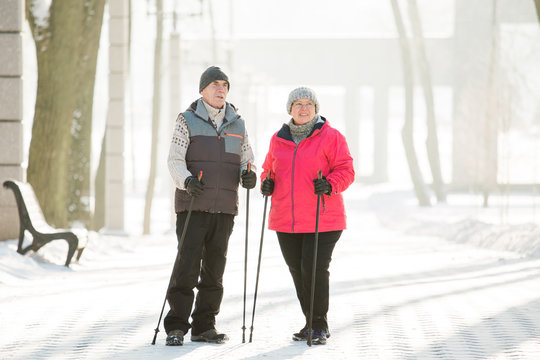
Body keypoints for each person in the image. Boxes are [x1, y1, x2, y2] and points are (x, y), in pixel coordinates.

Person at [164, 66, 257, 346]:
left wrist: (249, 175)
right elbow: (175, 160)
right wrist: (187, 181)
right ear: (202, 90)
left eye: (224, 85)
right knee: (187, 267)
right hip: (193, 205)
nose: (221, 89)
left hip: (225, 207)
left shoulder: (237, 124)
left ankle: (205, 325)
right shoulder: (187, 120)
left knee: (215, 270)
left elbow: (246, 159)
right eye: (215, 84)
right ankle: (177, 326)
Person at [259, 87, 354, 345]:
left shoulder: (331, 137)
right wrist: (266, 182)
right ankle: (310, 322)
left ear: (316, 109)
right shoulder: (278, 139)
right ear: (290, 109)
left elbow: (346, 169)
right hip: (286, 220)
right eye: (298, 103)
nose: (303, 108)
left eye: (309, 104)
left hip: (322, 218)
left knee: (313, 270)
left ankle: (319, 325)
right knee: (298, 271)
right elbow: (269, 170)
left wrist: (331, 184)